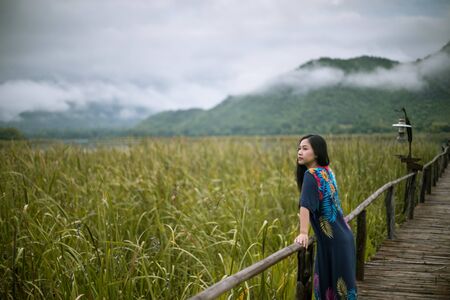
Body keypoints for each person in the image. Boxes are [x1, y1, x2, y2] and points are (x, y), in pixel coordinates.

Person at [294, 134, 357, 300]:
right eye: (299, 148)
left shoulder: (311, 174)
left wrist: (303, 233)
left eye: (305, 148)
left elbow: (305, 205)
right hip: (343, 238)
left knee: (331, 291)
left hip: (334, 243)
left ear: (316, 153)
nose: (300, 152)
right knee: (341, 292)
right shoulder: (327, 171)